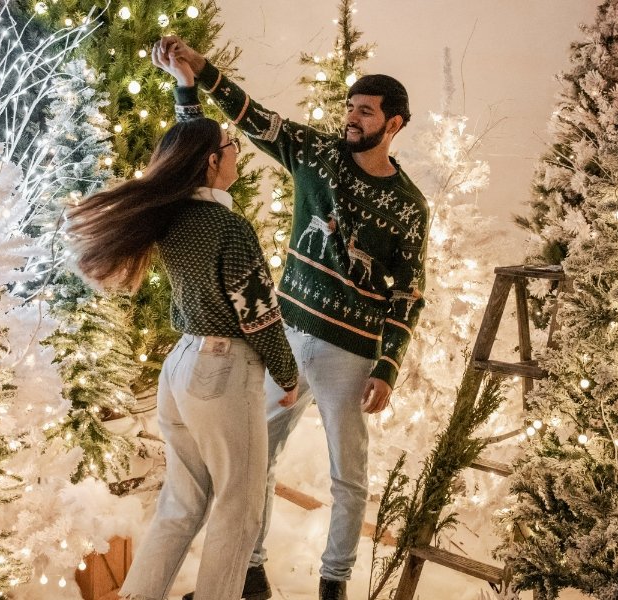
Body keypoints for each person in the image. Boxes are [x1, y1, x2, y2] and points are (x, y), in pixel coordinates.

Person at [154, 37, 429, 600]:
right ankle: (251, 572)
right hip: (285, 335)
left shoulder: (409, 206)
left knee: (348, 475)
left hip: (350, 353)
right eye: (350, 107)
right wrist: (199, 71)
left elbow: (409, 292)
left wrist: (388, 365)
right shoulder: (317, 153)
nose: (351, 118)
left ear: (394, 124)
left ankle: (334, 582)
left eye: (365, 112)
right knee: (258, 457)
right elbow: (254, 118)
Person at [67, 117, 299, 600]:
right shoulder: (228, 227)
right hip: (223, 370)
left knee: (180, 505)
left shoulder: (172, 218)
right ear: (212, 161)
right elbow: (258, 313)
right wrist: (287, 372)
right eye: (231, 147)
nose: (237, 154)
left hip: (180, 368)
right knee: (239, 510)